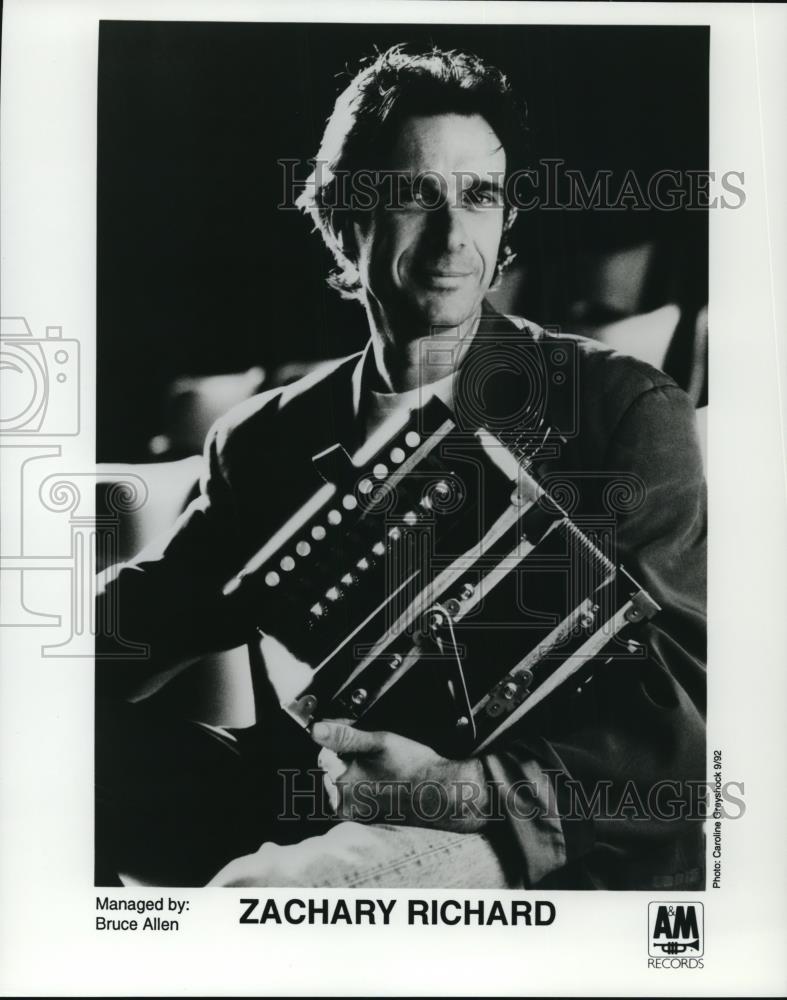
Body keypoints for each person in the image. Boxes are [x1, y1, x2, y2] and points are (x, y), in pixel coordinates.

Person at [96, 45, 706, 890]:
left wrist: (453, 792)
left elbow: (687, 721)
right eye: (414, 195)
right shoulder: (262, 441)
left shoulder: (617, 410)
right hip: (316, 804)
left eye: (480, 197)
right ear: (342, 220)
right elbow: (150, 617)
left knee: (267, 897)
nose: (453, 237)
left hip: (541, 841)